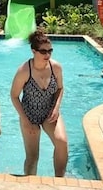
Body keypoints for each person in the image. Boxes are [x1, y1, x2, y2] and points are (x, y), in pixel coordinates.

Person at [10, 30, 68, 176]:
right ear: (33, 51)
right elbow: (14, 96)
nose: (47, 55)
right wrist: (25, 120)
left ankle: (60, 181)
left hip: (49, 111)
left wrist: (56, 108)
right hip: (29, 114)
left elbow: (60, 88)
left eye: (50, 51)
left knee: (62, 142)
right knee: (32, 157)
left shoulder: (56, 68)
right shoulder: (24, 70)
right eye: (43, 51)